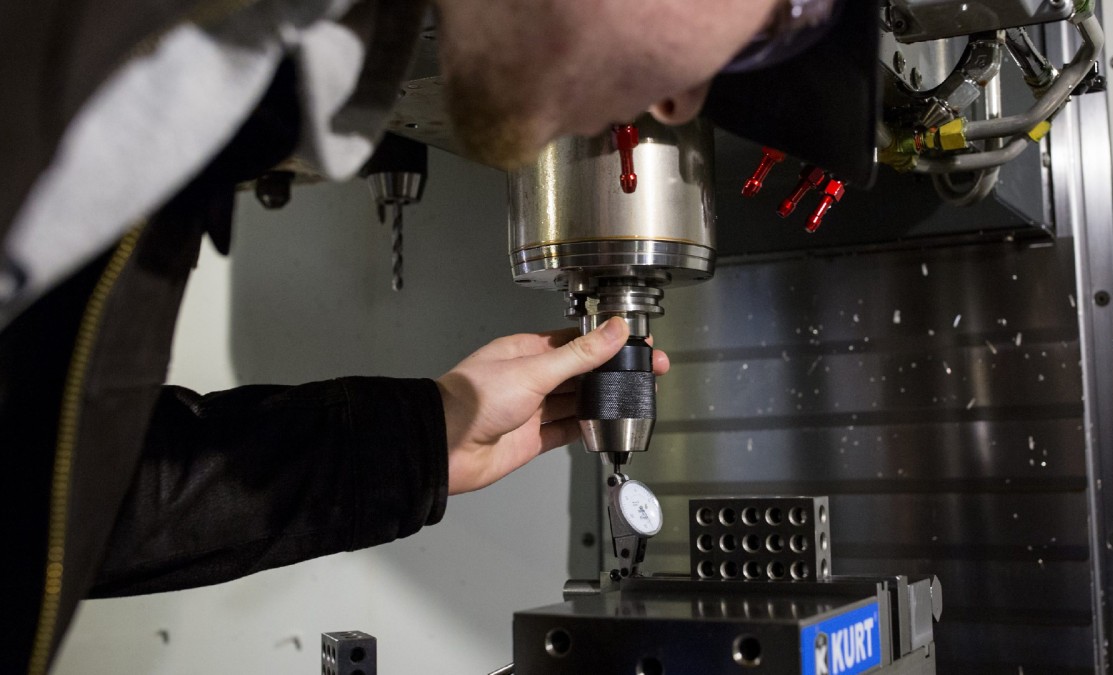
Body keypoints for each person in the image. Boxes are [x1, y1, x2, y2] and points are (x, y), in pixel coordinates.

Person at [0, 0, 839, 672]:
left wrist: (425, 438)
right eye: (779, 19)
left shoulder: (216, 71)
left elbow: (64, 490)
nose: (687, 100)